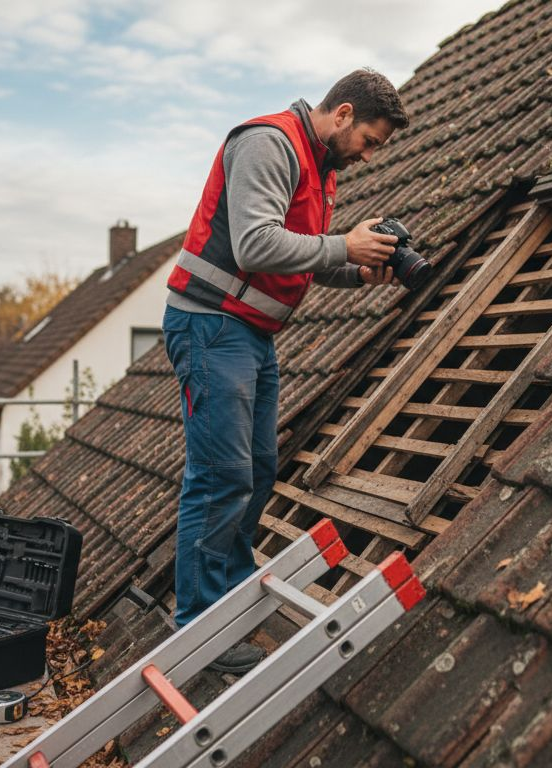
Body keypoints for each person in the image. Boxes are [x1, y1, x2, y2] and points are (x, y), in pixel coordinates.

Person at [161, 69, 409, 673]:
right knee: (221, 477)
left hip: (249, 334)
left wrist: (357, 269)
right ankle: (196, 627)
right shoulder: (269, 144)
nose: (370, 155)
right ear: (343, 114)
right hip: (211, 327)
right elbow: (254, 246)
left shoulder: (317, 169)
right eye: (370, 141)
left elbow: (299, 259)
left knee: (258, 468)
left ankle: (232, 596)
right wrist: (342, 247)